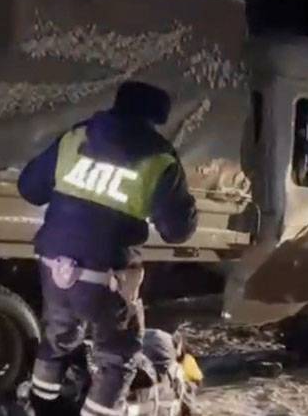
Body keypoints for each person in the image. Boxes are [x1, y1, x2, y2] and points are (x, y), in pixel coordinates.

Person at [17, 81, 198, 416]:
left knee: (57, 341)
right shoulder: (160, 160)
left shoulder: (77, 136)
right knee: (116, 358)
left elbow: (30, 188)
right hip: (106, 276)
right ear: (158, 116)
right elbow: (177, 231)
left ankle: (40, 408)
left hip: (54, 266)